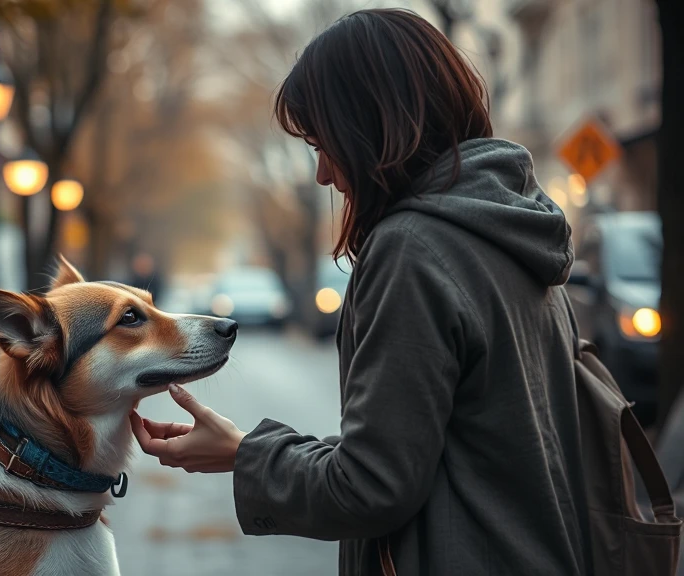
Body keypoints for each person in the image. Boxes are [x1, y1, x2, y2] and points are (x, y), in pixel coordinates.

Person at [131, 9, 590, 575]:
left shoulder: (413, 249)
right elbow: (435, 452)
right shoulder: (512, 226)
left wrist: (245, 457)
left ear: (371, 129)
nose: (324, 173)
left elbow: (370, 488)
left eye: (324, 143)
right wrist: (247, 449)